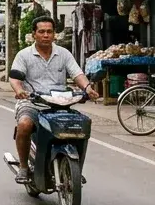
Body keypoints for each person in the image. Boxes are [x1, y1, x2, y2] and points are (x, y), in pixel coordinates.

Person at [10, 16, 100, 184]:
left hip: (60, 103)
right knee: (24, 125)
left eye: (49, 32)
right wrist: (20, 90)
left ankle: (76, 168)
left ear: (54, 35)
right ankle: (23, 167)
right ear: (34, 34)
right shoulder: (24, 55)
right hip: (32, 101)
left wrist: (87, 89)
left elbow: (77, 74)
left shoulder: (64, 54)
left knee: (80, 125)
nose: (46, 35)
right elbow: (15, 78)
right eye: (41, 32)